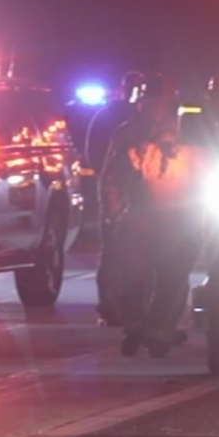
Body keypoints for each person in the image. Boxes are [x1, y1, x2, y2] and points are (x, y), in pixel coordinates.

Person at [100, 73, 205, 357]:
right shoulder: (129, 134)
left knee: (173, 276)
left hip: (180, 218)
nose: (151, 105)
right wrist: (113, 211)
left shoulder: (192, 132)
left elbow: (206, 172)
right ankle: (136, 326)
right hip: (139, 215)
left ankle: (159, 332)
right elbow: (113, 175)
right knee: (129, 277)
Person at [89, 70, 145, 325]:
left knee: (134, 254)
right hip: (119, 190)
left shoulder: (147, 119)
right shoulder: (114, 118)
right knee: (113, 251)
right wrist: (109, 178)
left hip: (146, 195)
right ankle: (110, 308)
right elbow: (94, 151)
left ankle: (130, 310)